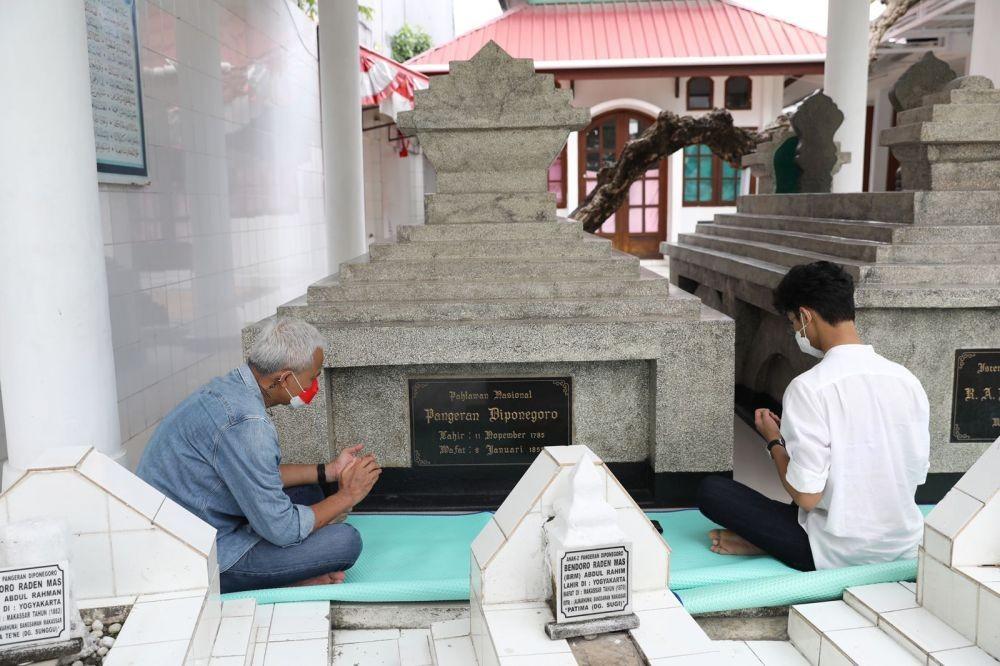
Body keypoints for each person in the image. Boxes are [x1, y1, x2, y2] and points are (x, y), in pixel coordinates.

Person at [696, 261, 930, 571]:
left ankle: (766, 541)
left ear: (806, 316)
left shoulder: (809, 388)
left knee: (711, 491)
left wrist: (774, 441)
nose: (796, 331)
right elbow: (916, 474)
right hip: (903, 543)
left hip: (835, 552)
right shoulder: (907, 380)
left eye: (794, 322)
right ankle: (769, 538)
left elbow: (806, 496)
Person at [137, 318, 381, 592]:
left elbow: (260, 474)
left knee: (309, 493)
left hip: (195, 518)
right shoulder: (247, 423)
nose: (314, 386)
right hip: (196, 554)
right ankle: (282, 576)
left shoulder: (230, 389)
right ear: (285, 378)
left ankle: (285, 571)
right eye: (312, 378)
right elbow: (283, 530)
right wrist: (348, 495)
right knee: (344, 543)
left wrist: (329, 471)